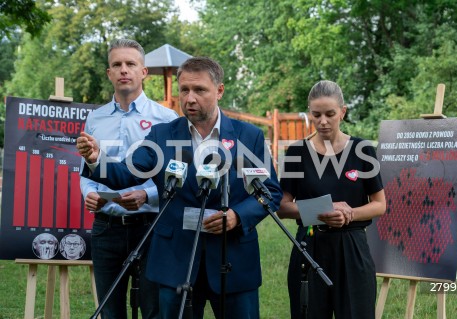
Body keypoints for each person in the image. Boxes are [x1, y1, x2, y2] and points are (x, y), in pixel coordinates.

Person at [77, 56, 282, 319]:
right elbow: (126, 173)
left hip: (233, 258)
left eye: (199, 90)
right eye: (184, 90)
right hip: (176, 261)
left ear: (219, 90)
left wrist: (237, 216)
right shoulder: (162, 135)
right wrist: (95, 159)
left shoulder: (247, 136)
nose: (190, 98)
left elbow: (270, 192)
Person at [80, 38, 178, 319]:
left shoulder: (166, 118)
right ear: (109, 73)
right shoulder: (95, 119)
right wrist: (88, 193)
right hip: (106, 229)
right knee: (109, 311)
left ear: (144, 72)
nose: (124, 70)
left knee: (153, 309)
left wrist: (149, 195)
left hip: (151, 228)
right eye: (117, 65)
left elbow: (176, 176)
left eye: (130, 64)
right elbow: (85, 169)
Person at [277, 80, 386, 319]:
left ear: (343, 112)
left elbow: (380, 204)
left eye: (330, 114)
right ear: (310, 114)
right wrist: (322, 210)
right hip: (309, 245)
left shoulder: (362, 150)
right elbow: (282, 207)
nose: (323, 121)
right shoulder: (296, 153)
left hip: (353, 247)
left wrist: (349, 214)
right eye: (316, 115)